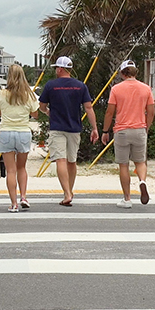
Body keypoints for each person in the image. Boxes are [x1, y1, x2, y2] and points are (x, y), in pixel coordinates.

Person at [38, 55, 98, 207]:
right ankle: (69, 190)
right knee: (72, 161)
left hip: (57, 127)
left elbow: (42, 106)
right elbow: (88, 108)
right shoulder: (80, 86)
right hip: (74, 128)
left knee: (60, 160)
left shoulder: (51, 86)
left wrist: (48, 112)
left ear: (60, 68)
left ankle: (66, 193)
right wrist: (94, 128)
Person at [104, 60, 155, 208]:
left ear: (122, 73)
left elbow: (110, 112)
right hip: (140, 128)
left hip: (121, 130)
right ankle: (142, 181)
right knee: (140, 161)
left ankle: (127, 198)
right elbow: (151, 111)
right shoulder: (146, 89)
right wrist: (146, 127)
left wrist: (105, 130)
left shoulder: (116, 89)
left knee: (123, 165)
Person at [0, 63, 39, 212]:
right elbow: (35, 114)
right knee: (21, 168)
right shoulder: (29, 94)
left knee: (10, 170)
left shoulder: (2, 94)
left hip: (6, 132)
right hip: (23, 132)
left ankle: (13, 203)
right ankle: (24, 196)